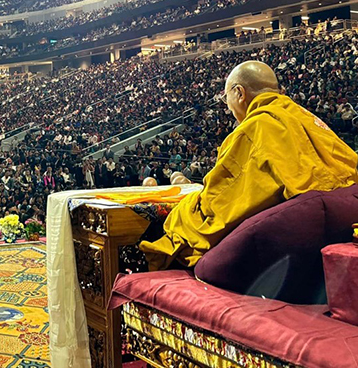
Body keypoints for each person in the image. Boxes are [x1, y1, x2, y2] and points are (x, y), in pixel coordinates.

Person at [140, 61, 358, 270]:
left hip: (289, 243)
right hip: (342, 222)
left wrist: (185, 208)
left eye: (227, 98)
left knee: (175, 223)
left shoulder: (254, 129)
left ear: (239, 93)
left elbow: (216, 205)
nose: (229, 107)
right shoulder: (307, 118)